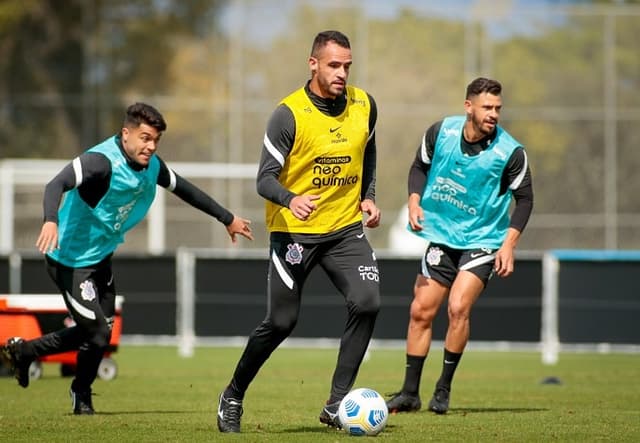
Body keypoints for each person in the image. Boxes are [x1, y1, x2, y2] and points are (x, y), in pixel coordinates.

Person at [0, 102, 253, 415]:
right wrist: (50, 219)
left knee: (98, 333)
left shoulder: (152, 166)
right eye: (145, 138)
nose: (150, 146)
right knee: (98, 332)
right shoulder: (101, 162)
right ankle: (67, 384)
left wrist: (227, 218)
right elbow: (56, 184)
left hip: (101, 259)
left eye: (155, 141)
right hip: (69, 261)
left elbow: (185, 189)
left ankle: (32, 357)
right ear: (126, 134)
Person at [216, 30, 381, 433]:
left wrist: (368, 195)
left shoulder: (364, 105)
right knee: (282, 322)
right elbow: (264, 180)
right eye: (333, 65)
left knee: (368, 301)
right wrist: (291, 199)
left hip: (345, 229)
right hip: (294, 233)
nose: (342, 73)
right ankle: (233, 394)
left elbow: (367, 150)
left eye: (347, 66)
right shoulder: (287, 114)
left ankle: (337, 403)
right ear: (313, 64)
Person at [386, 77, 534, 415]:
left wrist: (508, 245)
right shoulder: (441, 133)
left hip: (483, 240)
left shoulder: (510, 152)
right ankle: (410, 393)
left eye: (497, 108)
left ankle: (443, 388)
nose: (493, 114)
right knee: (420, 310)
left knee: (457, 308)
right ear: (469, 106)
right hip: (441, 235)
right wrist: (413, 200)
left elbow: (524, 200)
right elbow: (419, 167)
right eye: (487, 107)